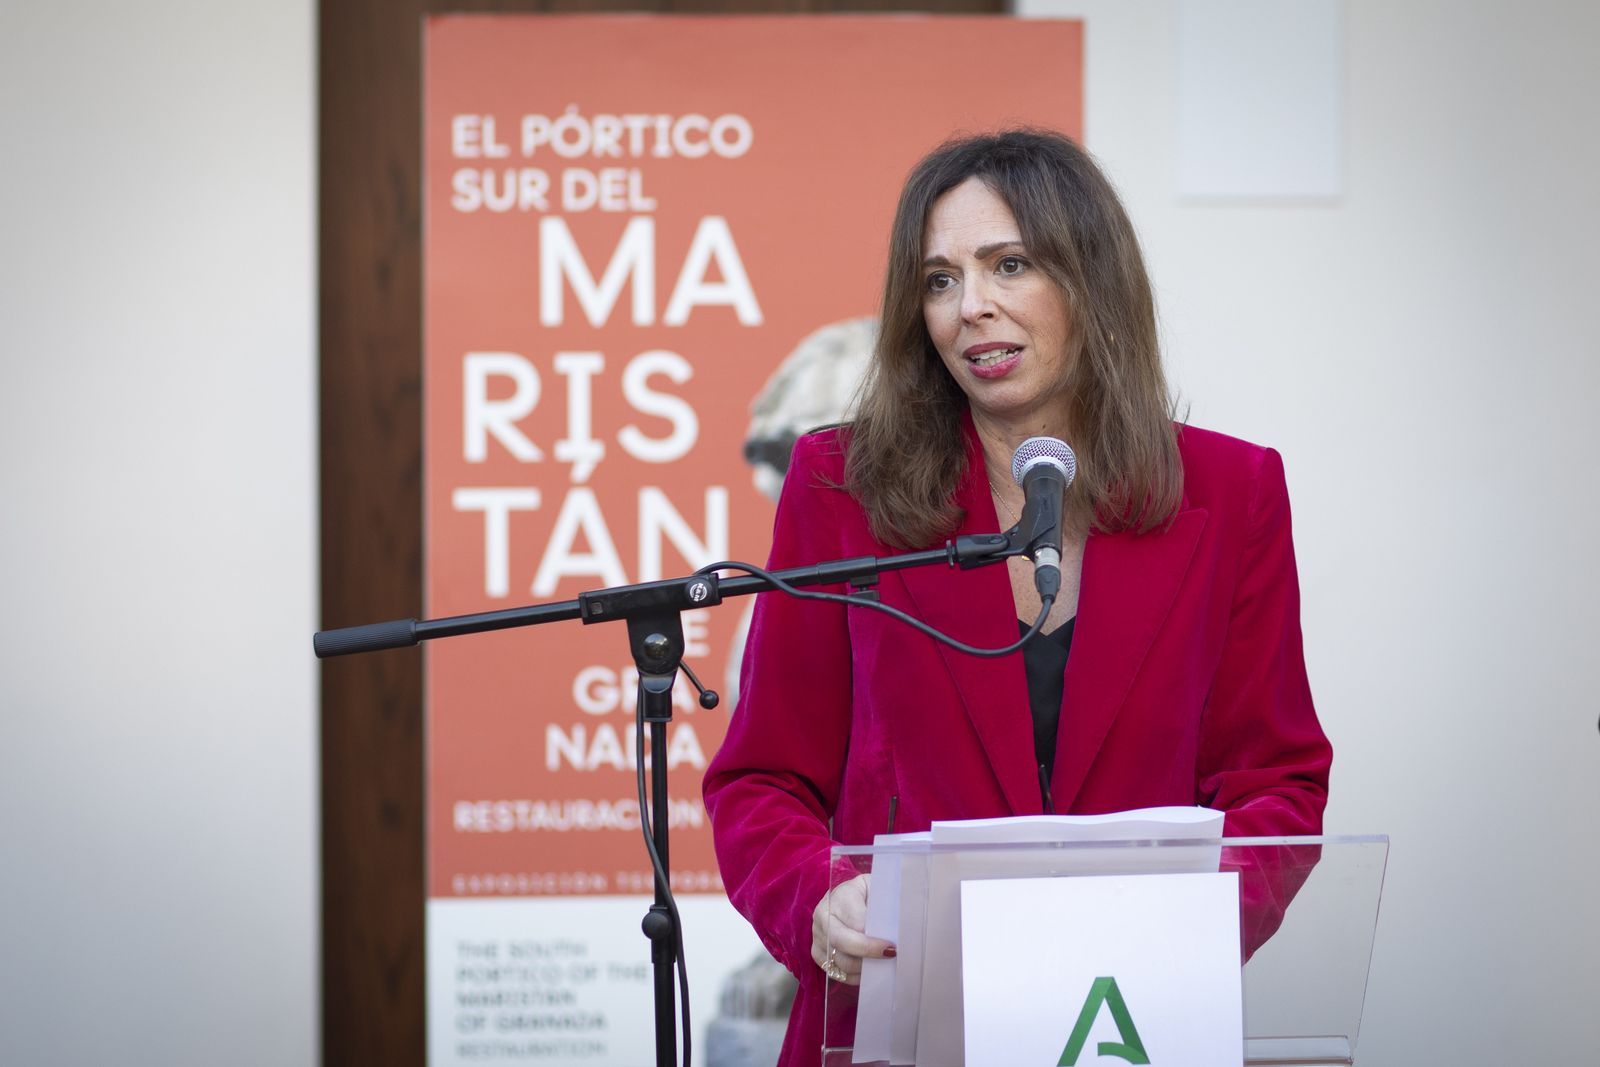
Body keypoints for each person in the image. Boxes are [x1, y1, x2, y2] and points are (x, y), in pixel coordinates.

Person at [702, 129, 1332, 1067]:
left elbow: (1275, 782)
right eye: (940, 280)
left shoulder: (1232, 492)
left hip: (1129, 1018)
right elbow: (763, 780)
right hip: (899, 1019)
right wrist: (817, 895)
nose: (972, 307)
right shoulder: (842, 486)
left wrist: (1178, 927)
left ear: (1090, 281)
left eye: (1010, 264)